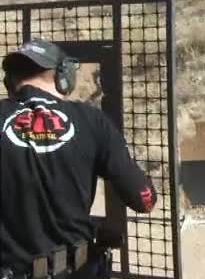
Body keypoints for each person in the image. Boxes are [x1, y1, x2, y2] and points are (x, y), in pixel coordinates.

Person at [0, 38, 157, 279]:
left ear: (9, 82)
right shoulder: (91, 120)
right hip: (75, 271)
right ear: (63, 76)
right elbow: (142, 199)